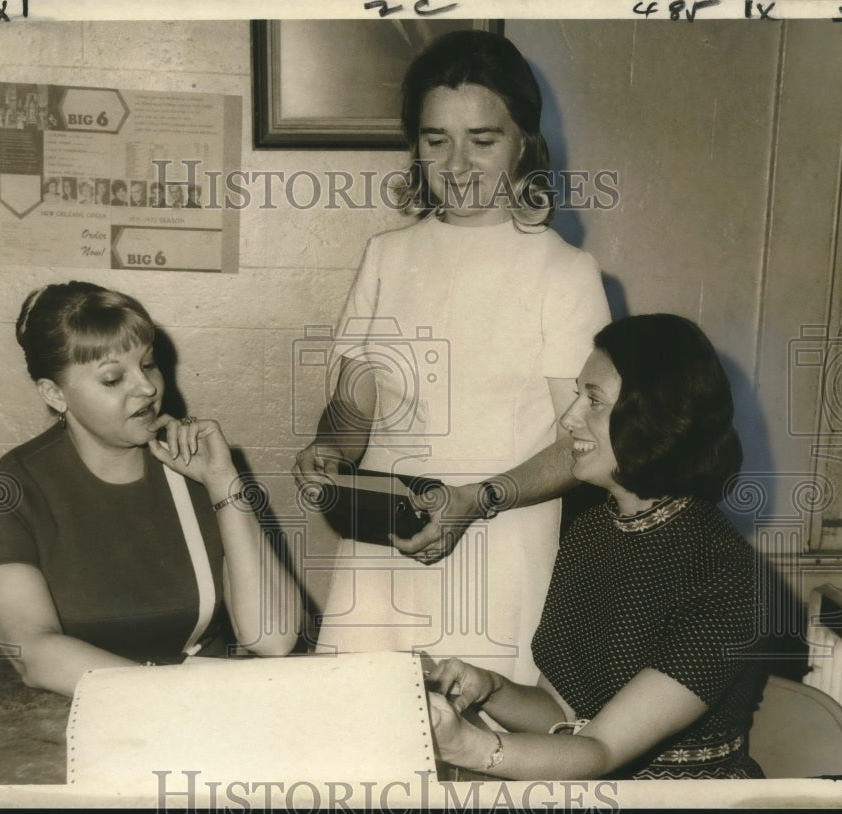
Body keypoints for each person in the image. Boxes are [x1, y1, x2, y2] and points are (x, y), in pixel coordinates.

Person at [294, 30, 610, 682]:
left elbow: (583, 445)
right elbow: (355, 409)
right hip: (383, 556)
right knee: (365, 748)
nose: (458, 165)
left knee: (482, 759)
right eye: (436, 141)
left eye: (483, 140)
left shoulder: (565, 272)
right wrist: (327, 449)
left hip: (500, 549)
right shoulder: (388, 256)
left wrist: (477, 499)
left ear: (524, 139)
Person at [427, 314, 765, 780]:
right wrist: (489, 689)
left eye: (594, 401)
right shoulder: (593, 533)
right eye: (576, 398)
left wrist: (468, 746)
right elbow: (562, 713)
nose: (568, 420)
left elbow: (601, 749)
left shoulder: (726, 573)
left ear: (653, 418)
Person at [0, 282, 301, 696]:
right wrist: (167, 699)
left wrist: (223, 483)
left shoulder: (189, 466)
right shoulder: (6, 488)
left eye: (149, 364)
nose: (147, 388)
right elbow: (34, 652)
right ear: (54, 393)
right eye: (113, 378)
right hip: (77, 716)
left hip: (200, 711)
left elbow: (274, 637)